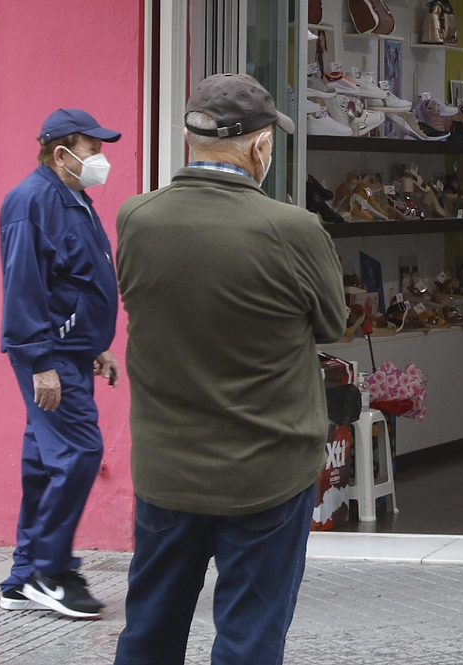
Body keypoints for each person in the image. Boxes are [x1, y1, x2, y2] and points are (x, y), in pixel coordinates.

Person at [112, 74, 346, 665]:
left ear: (189, 138)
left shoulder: (137, 217)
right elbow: (331, 323)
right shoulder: (293, 229)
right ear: (260, 145)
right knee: (249, 641)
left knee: (149, 633)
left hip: (168, 467)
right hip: (266, 469)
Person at [0, 108, 124, 619]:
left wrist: (95, 344)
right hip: (49, 357)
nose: (100, 158)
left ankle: (23, 576)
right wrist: (40, 362)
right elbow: (23, 286)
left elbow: (74, 280)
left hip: (69, 352)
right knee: (79, 452)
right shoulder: (32, 201)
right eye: (92, 149)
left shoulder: (72, 198)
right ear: (61, 153)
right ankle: (51, 571)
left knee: (43, 463)